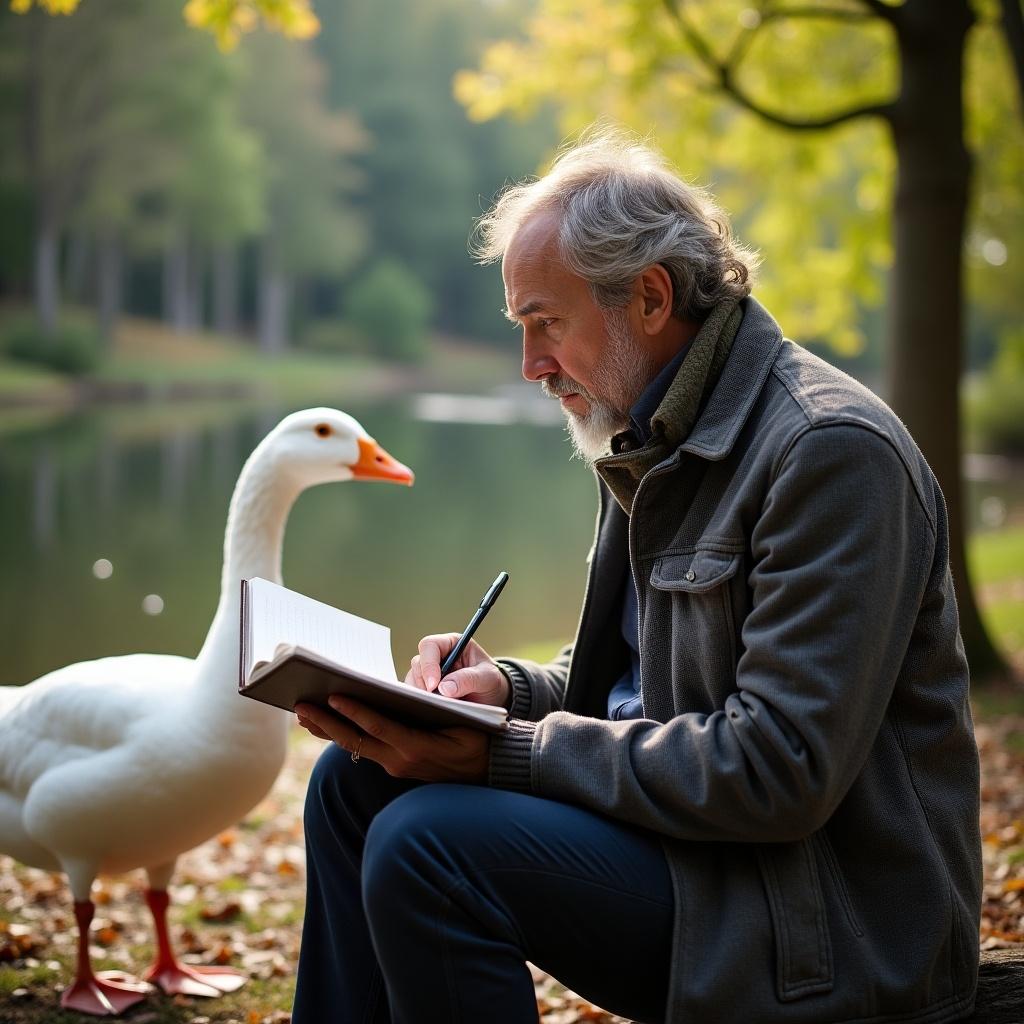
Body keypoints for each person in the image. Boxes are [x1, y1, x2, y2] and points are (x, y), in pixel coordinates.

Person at [291, 131, 982, 1024]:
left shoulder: (829, 452)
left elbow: (782, 768)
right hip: (698, 860)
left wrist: (503, 750)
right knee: (353, 784)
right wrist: (497, 692)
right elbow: (636, 692)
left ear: (649, 298)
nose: (532, 365)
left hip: (822, 931)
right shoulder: (647, 431)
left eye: (548, 323)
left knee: (430, 844)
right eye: (522, 329)